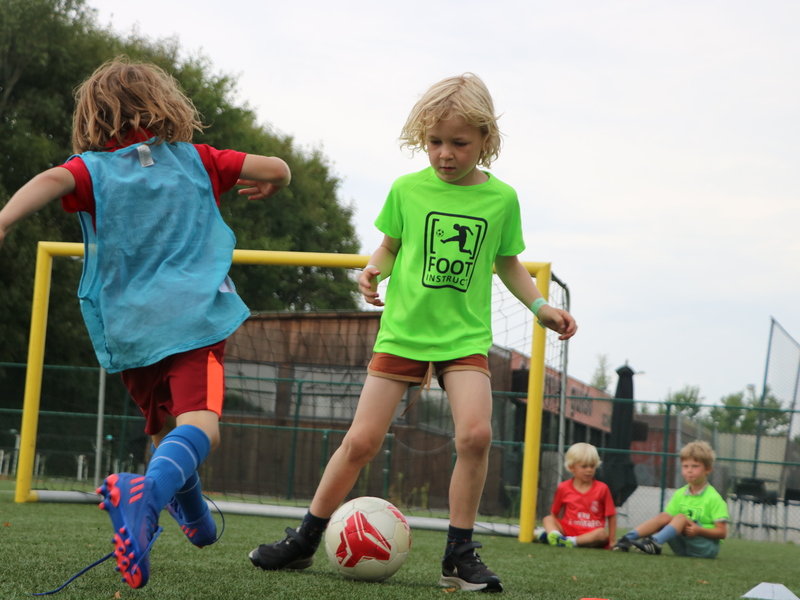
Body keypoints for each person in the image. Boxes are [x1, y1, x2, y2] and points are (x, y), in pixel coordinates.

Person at [248, 72, 577, 593]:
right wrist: (371, 269)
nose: (445, 153)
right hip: (402, 334)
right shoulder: (406, 189)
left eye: (459, 143)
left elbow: (508, 263)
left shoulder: (502, 200)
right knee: (360, 441)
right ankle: (305, 540)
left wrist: (540, 307)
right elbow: (389, 246)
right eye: (435, 142)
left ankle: (458, 556)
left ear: (486, 141)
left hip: (464, 339)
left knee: (475, 435)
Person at [0, 57, 291, 589]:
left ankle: (198, 523)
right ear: (165, 108)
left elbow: (49, 179)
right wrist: (276, 181)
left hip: (132, 327)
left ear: (93, 119)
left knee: (165, 432)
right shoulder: (199, 159)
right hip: (195, 318)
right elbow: (274, 167)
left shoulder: (92, 171)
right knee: (202, 426)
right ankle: (146, 499)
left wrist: (2, 221)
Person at [612, 440, 728, 557]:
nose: (689, 470)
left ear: (708, 469)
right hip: (683, 548)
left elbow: (722, 532)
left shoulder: (714, 498)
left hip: (706, 548)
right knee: (665, 516)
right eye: (685, 466)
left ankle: (654, 542)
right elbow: (666, 518)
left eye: (695, 466)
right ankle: (626, 539)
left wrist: (698, 530)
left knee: (681, 517)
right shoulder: (680, 494)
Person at [541, 443, 616, 549]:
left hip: (591, 533)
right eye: (584, 466)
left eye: (592, 466)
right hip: (569, 530)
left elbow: (611, 515)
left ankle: (570, 542)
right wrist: (555, 530)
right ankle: (557, 537)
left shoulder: (602, 488)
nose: (589, 470)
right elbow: (555, 513)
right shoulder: (563, 487)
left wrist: (612, 541)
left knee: (602, 534)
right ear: (572, 468)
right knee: (547, 519)